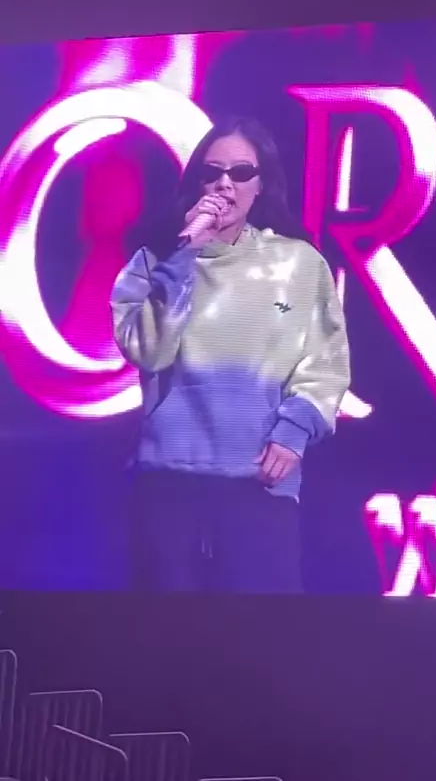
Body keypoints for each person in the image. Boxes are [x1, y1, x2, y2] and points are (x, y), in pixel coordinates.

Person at [110, 116, 350, 593]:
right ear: (197, 181)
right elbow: (150, 351)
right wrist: (184, 257)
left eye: (241, 173)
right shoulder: (154, 262)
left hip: (258, 485)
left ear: (261, 185)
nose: (225, 184)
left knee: (261, 631)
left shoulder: (298, 263)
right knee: (163, 628)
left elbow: (326, 363)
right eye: (213, 172)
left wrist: (293, 432)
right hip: (168, 486)